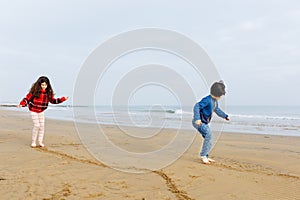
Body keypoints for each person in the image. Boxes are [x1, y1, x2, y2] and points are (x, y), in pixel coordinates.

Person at [17, 76, 68, 148]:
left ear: (48, 85)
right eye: (42, 85)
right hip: (33, 110)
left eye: (45, 85)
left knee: (42, 127)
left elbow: (54, 101)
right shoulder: (34, 92)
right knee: (37, 125)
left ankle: (40, 142)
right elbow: (26, 99)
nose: (44, 86)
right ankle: (33, 142)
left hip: (41, 111)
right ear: (39, 85)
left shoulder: (48, 93)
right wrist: (22, 104)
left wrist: (62, 99)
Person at [192, 80, 229, 164]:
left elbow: (217, 110)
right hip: (198, 122)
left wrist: (225, 116)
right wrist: (197, 118)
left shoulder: (215, 102)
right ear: (217, 94)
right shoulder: (207, 100)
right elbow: (197, 106)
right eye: (220, 95)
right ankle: (203, 155)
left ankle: (206, 156)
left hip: (204, 123)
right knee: (209, 135)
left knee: (209, 139)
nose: (221, 97)